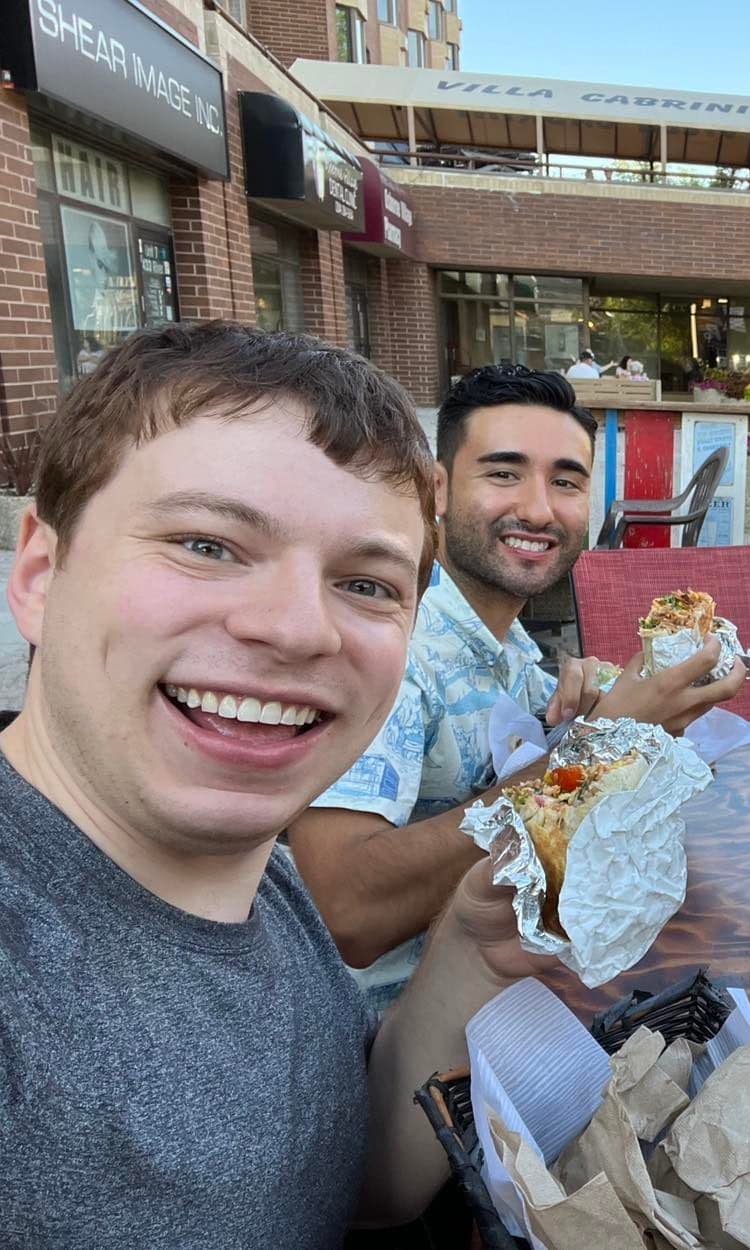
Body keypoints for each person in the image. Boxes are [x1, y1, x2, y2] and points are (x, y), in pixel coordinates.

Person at [0, 322, 572, 1244]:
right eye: (208, 544)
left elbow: (349, 1192)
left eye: (367, 584)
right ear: (39, 571)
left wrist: (470, 956)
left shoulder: (260, 880)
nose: (297, 629)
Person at [291, 365, 744, 1011]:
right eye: (503, 474)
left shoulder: (507, 648)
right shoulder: (395, 649)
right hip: (411, 1052)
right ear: (437, 490)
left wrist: (590, 711)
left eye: (565, 481)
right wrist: (596, 746)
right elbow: (345, 912)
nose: (537, 508)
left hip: (523, 980)